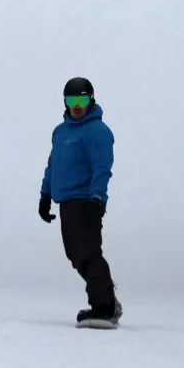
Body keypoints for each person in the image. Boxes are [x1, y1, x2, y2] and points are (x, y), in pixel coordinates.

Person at [38, 77, 121, 328]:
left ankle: (103, 306)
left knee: (87, 253)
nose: (76, 106)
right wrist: (45, 195)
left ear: (91, 100)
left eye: (81, 100)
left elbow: (102, 168)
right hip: (66, 202)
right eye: (72, 100)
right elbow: (54, 164)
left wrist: (97, 199)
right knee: (76, 255)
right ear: (65, 102)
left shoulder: (98, 132)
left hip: (85, 201)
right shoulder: (60, 132)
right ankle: (107, 299)